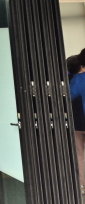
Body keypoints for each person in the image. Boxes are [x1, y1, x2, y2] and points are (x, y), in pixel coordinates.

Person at [68, 54, 85, 194]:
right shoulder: (80, 79)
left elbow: (69, 97)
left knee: (79, 154)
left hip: (76, 125)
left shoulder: (70, 81)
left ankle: (82, 185)